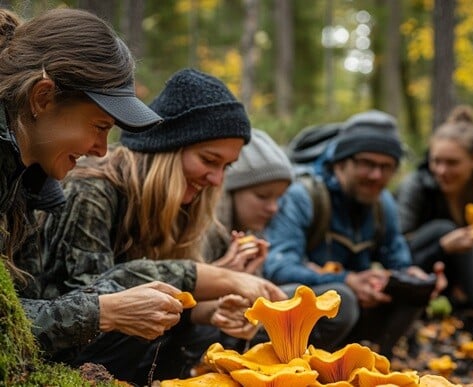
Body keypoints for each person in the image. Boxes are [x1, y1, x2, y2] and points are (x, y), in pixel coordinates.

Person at [39, 68, 286, 384]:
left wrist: (210, 310)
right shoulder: (91, 192)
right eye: (209, 160)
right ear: (166, 148)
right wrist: (218, 276)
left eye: (227, 167)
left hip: (128, 360)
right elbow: (93, 308)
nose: (217, 180)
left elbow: (162, 304)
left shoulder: (182, 204)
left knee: (209, 329)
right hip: (63, 364)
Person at [0, 7, 191, 370]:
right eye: (100, 127)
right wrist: (104, 311)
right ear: (43, 98)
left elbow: (23, 313)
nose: (101, 151)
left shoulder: (25, 182)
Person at [262, 110, 445, 357]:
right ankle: (295, 366)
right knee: (342, 297)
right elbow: (278, 267)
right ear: (340, 162)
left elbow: (398, 262)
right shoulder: (303, 195)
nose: (376, 175)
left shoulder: (383, 204)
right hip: (299, 316)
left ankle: (375, 361)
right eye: (367, 163)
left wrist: (416, 279)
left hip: (354, 315)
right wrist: (346, 280)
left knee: (411, 291)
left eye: (386, 167)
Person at [203, 128, 359, 352]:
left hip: (239, 328)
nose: (273, 208)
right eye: (263, 196)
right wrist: (225, 276)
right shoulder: (204, 231)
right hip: (205, 331)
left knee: (335, 301)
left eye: (279, 198)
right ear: (228, 191)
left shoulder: (254, 233)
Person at [396, 105, 473, 340]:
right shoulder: (416, 188)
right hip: (410, 271)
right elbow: (394, 251)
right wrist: (442, 247)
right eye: (436, 161)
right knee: (445, 229)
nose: (441, 170)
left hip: (447, 289)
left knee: (470, 236)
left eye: (452, 163)